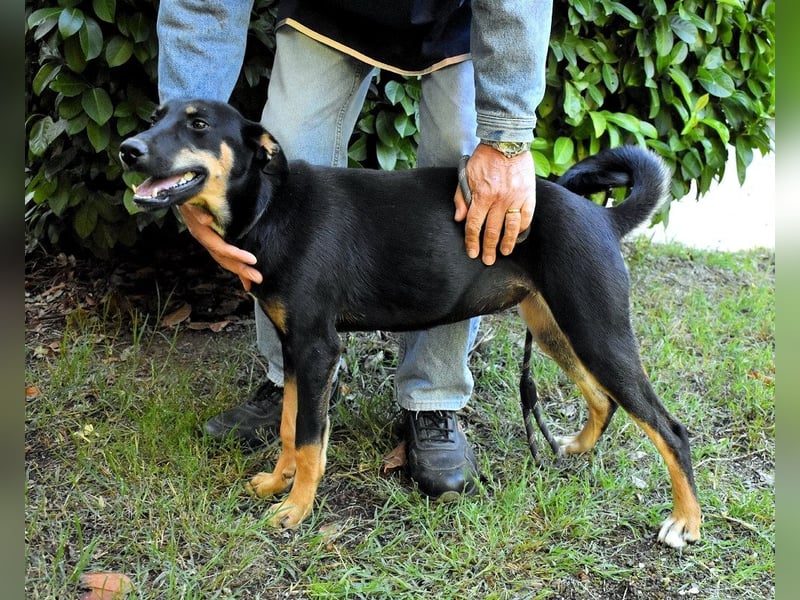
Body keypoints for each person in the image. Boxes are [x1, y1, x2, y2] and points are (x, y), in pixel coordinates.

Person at [157, 0, 552, 500]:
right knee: (288, 154)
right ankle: (290, 381)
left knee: (465, 165)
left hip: (460, 14)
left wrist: (507, 136)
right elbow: (203, 6)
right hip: (331, 7)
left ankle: (433, 397)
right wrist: (182, 161)